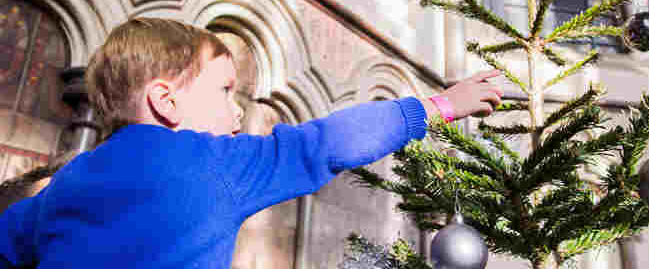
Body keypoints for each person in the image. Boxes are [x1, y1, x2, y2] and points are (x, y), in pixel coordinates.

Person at [0, 18, 503, 268]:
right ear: (166, 102)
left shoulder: (70, 181)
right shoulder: (215, 163)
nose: (237, 108)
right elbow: (327, 143)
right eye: (224, 91)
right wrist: (438, 107)